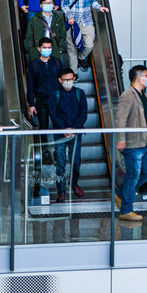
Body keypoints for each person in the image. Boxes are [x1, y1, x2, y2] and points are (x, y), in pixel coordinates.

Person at [114, 64, 147, 222]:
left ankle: (119, 194)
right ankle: (126, 210)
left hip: (145, 143)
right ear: (139, 78)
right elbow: (120, 118)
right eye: (146, 75)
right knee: (133, 175)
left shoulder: (142, 94)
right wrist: (121, 139)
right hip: (133, 144)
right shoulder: (128, 95)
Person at [48, 67, 87, 201]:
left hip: (76, 134)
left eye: (71, 79)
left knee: (76, 162)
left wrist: (74, 128)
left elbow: (83, 114)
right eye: (66, 80)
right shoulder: (55, 95)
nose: (69, 82)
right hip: (60, 134)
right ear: (60, 80)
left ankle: (74, 183)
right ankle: (61, 190)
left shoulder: (80, 94)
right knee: (60, 163)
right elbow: (53, 114)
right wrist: (64, 129)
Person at [61, 0, 108, 67]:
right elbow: (64, 4)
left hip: (86, 20)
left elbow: (93, 1)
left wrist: (99, 7)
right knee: (71, 49)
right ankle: (73, 73)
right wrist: (70, 16)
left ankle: (81, 57)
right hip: (72, 22)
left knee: (89, 45)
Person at [22, 0, 72, 73]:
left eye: (50, 3)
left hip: (54, 50)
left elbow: (62, 35)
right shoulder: (34, 19)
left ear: (53, 5)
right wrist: (32, 50)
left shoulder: (58, 19)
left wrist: (60, 49)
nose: (48, 4)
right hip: (38, 50)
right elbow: (29, 37)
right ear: (41, 5)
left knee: (55, 73)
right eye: (45, 3)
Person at [24, 38, 64, 132]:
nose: (47, 49)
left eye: (49, 47)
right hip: (41, 100)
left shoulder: (57, 63)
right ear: (39, 48)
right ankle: (43, 146)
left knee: (59, 126)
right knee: (43, 128)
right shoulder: (33, 65)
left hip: (56, 100)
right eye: (44, 47)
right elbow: (30, 85)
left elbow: (62, 81)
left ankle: (58, 146)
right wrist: (31, 104)